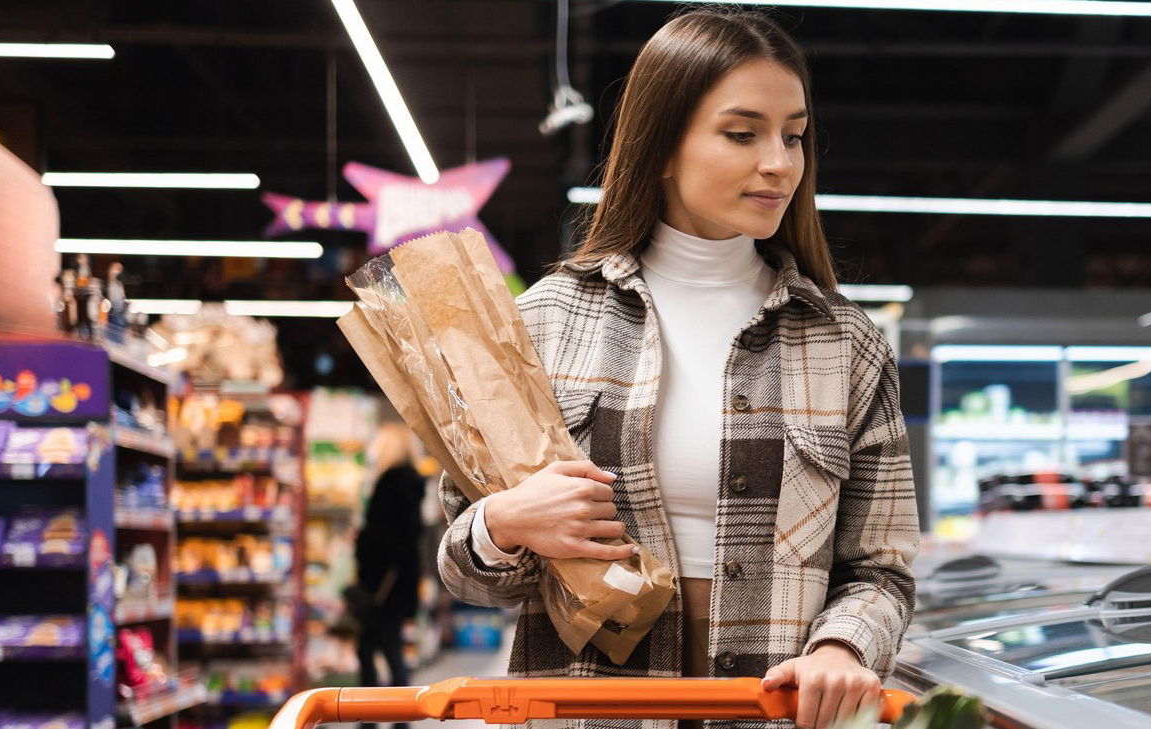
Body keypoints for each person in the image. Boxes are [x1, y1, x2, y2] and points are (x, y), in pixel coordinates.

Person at [436, 8, 919, 729]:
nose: (781, 162)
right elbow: (459, 564)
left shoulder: (844, 343)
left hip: (774, 711)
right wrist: (505, 522)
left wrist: (844, 647)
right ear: (661, 145)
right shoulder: (545, 322)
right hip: (588, 710)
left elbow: (880, 568)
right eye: (742, 132)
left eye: (793, 135)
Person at [354, 423, 425, 715]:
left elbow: (382, 536)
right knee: (387, 647)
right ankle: (393, 716)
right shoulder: (412, 483)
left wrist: (361, 542)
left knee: (373, 648)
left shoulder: (390, 483)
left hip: (382, 581)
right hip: (399, 581)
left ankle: (374, 716)